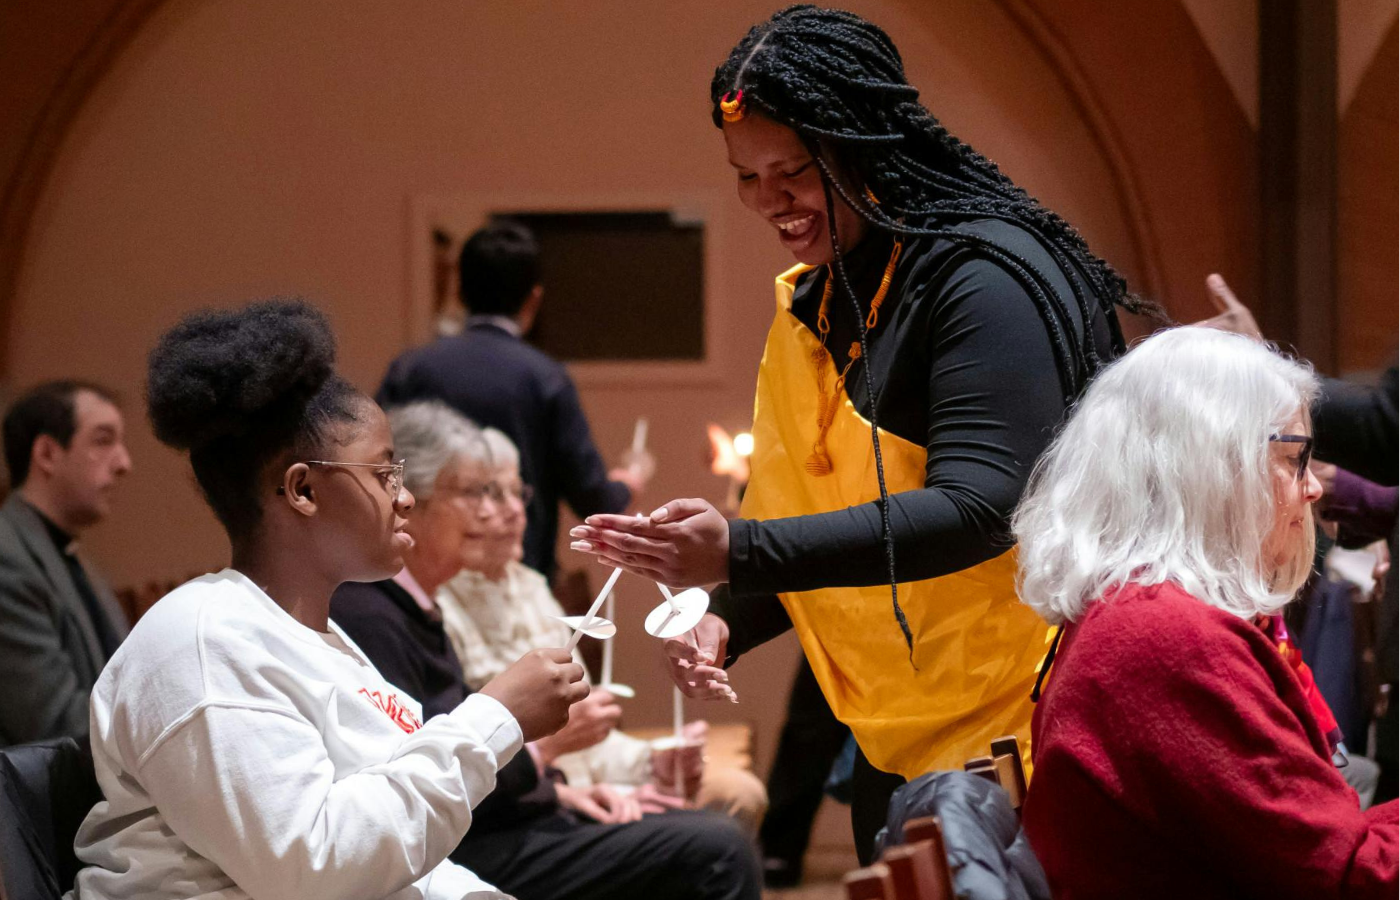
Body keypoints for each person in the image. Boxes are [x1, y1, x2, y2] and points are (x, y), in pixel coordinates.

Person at [568, 5, 1152, 860]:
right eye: (745, 175)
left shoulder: (982, 280)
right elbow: (810, 517)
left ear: (865, 145)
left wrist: (738, 551)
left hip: (1030, 730)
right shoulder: (817, 298)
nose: (769, 201)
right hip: (897, 738)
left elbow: (982, 506)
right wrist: (727, 617)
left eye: (793, 170)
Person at [70, 300, 588, 900]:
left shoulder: (324, 642)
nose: (405, 497)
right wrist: (496, 718)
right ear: (303, 489)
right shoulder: (205, 641)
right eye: (382, 474)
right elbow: (314, 868)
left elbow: (404, 861)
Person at [1013, 326, 1398, 899]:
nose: (1313, 490)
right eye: (1296, 459)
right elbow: (1349, 879)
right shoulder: (1164, 639)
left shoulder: (1141, 614)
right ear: (1214, 471)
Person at [331, 400, 761, 900]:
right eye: (477, 493)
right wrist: (544, 754)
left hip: (517, 807)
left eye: (509, 493)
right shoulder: (379, 611)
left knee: (714, 827)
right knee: (715, 848)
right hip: (470, 841)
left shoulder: (447, 599)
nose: (498, 513)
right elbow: (418, 776)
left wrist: (567, 787)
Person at [433, 422, 768, 836]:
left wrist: (653, 763)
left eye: (517, 492)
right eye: (489, 495)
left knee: (738, 790)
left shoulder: (532, 587)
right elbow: (452, 770)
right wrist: (555, 758)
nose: (515, 511)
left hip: (590, 785)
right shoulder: (437, 604)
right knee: (716, 841)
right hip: (524, 806)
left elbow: (590, 739)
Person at [377, 221, 648, 582]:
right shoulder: (545, 377)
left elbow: (376, 468)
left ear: (459, 291)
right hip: (513, 574)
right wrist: (630, 480)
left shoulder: (410, 368)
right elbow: (596, 502)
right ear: (534, 298)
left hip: (422, 572)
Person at [0, 380, 131, 747]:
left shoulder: (78, 560)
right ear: (47, 454)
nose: (124, 463)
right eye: (103, 440)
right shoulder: (7, 558)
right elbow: (55, 725)